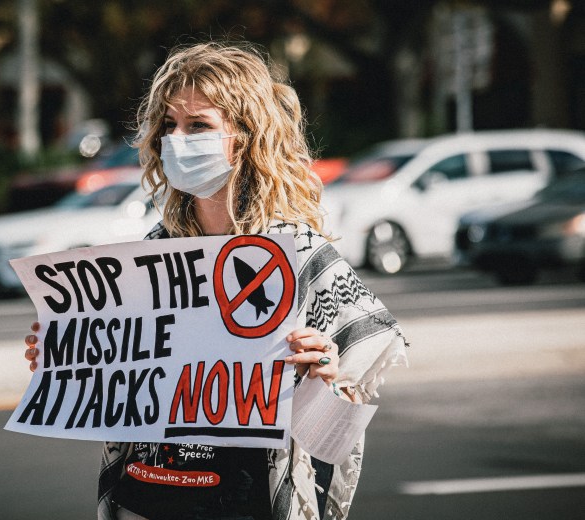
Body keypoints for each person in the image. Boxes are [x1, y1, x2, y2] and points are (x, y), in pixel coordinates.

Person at [23, 40, 408, 520]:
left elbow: (336, 439)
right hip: (149, 499)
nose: (177, 140)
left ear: (245, 137)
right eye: (169, 125)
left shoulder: (300, 258)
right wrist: (67, 354)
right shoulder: (147, 258)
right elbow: (119, 388)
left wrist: (321, 378)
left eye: (198, 125)